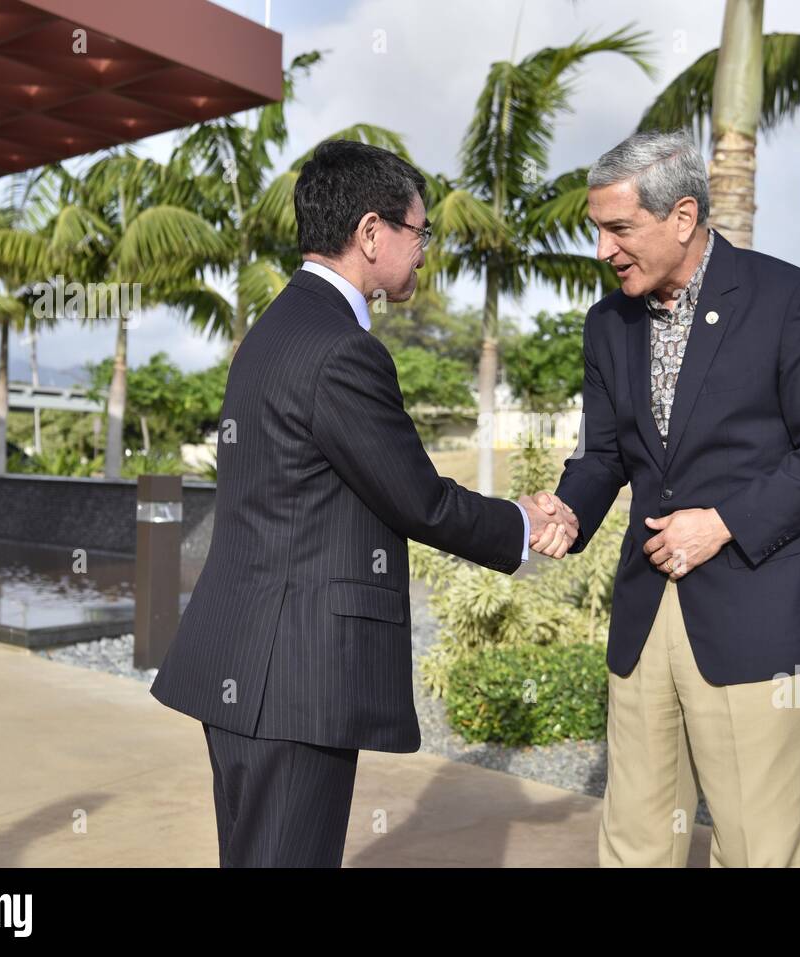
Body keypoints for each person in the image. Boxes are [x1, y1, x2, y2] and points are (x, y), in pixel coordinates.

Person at [150, 139, 578, 867]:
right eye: (420, 232)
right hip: (291, 680)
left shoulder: (275, 329)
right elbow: (417, 498)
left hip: (247, 668)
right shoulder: (342, 349)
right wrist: (524, 524)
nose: (423, 251)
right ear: (372, 232)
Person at [535, 130, 800, 866]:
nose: (602, 250)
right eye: (598, 229)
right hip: (645, 616)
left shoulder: (790, 300)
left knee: (758, 849)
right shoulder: (606, 324)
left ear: (683, 217)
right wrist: (566, 507)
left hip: (757, 616)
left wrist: (722, 523)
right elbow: (605, 455)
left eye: (618, 229)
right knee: (636, 839)